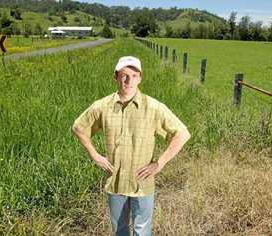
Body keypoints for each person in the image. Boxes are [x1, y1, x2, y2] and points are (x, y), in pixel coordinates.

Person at [72, 56, 191, 236]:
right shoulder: (102, 106)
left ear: (140, 78)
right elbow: (78, 127)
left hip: (142, 182)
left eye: (134, 75)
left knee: (142, 230)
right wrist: (95, 155)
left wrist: (160, 163)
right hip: (116, 182)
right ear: (116, 77)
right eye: (124, 75)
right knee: (119, 230)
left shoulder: (153, 107)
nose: (129, 80)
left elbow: (182, 134)